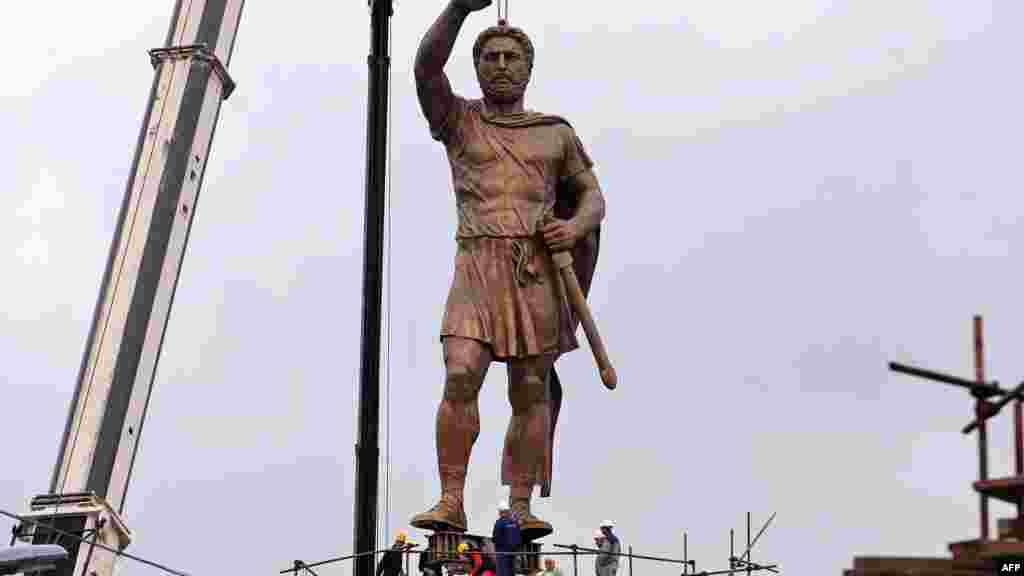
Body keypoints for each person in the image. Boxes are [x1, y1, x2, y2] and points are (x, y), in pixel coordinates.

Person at [409, 0, 608, 541]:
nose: (500, 64)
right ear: (477, 66)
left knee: (530, 386)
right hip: (477, 262)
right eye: (490, 56)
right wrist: (458, 8)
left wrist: (573, 227)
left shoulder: (555, 133)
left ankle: (520, 505)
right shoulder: (459, 121)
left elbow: (592, 197)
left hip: (533, 270)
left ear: (528, 68)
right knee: (460, 372)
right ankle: (451, 498)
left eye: (511, 57)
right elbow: (425, 68)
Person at [493, 501, 522, 576]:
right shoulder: (514, 523)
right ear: (508, 511)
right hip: (513, 553)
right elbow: (518, 538)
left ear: (500, 512)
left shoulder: (499, 523)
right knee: (511, 572)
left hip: (502, 553)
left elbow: (496, 538)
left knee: (502, 572)